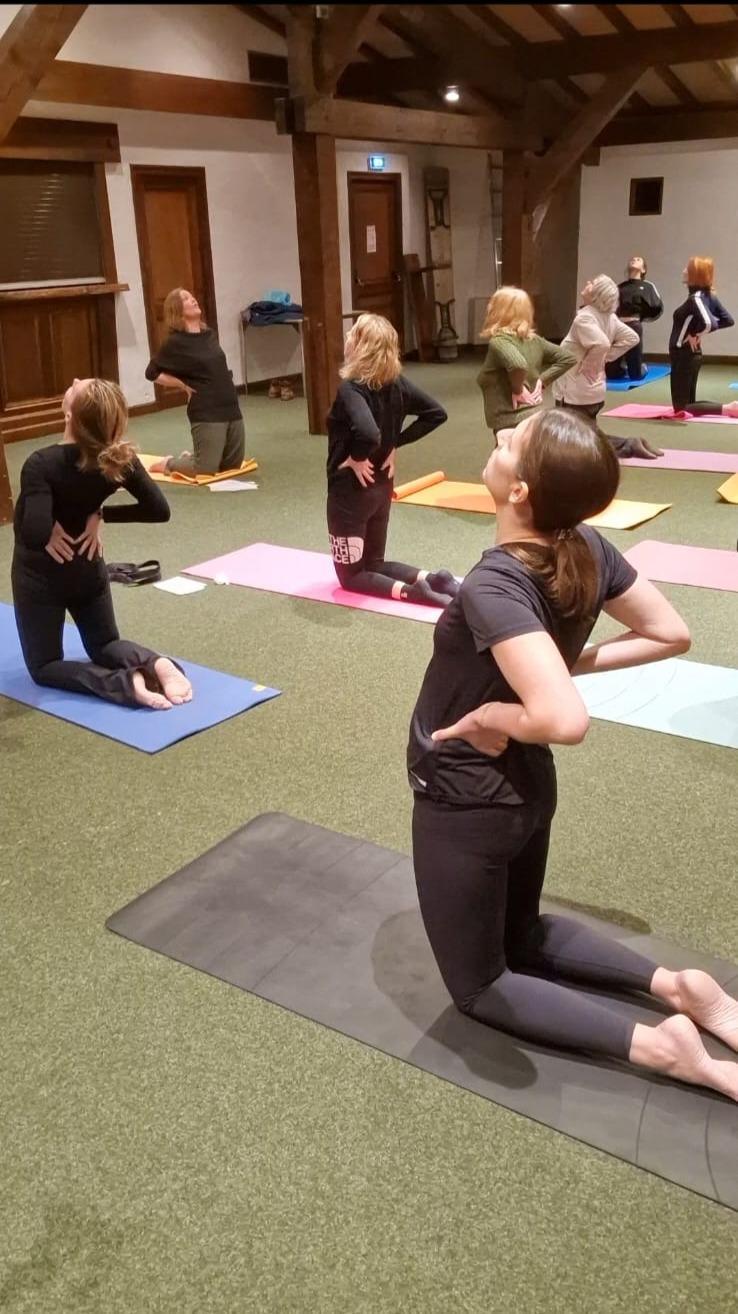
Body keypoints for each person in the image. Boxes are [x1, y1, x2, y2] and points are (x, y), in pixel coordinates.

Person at [407, 408, 738, 1101]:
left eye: (513, 441)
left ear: (520, 490)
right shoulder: (583, 542)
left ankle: (662, 1045)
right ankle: (678, 987)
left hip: (468, 799)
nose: (500, 436)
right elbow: (670, 632)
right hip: (527, 790)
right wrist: (562, 665)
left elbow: (564, 719)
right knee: (522, 934)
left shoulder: (497, 583)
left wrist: (497, 712)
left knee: (481, 985)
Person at [12, 378, 192, 711]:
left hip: (42, 578)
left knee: (45, 665)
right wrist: (100, 512)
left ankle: (125, 683)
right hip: (87, 567)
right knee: (106, 644)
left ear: (72, 415)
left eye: (77, 388)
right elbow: (158, 510)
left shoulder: (40, 464)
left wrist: (48, 522)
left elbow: (34, 535)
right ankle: (155, 663)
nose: (74, 380)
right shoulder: (119, 458)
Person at [327, 313, 455, 607]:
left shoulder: (351, 389)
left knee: (351, 576)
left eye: (352, 333)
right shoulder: (397, 384)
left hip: (350, 492)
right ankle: (435, 579)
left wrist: (357, 456)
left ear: (360, 346)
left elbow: (368, 432)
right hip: (382, 487)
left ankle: (413, 592)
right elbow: (436, 414)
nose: (347, 337)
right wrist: (394, 442)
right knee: (374, 562)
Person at [554, 275, 663, 460]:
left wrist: (593, 361)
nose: (588, 283)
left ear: (597, 294)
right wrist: (605, 358)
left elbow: (602, 343)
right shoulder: (609, 317)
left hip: (576, 393)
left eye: (592, 283)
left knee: (576, 442)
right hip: (593, 392)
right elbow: (632, 337)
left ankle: (628, 445)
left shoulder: (585, 318)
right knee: (586, 436)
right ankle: (629, 444)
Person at [145, 289, 245, 476]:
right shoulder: (175, 343)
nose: (193, 300)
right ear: (177, 310)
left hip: (230, 405)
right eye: (186, 299)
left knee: (232, 465)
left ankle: (191, 456)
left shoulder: (209, 334)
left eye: (192, 296)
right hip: (206, 409)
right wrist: (182, 385)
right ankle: (169, 464)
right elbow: (151, 373)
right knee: (204, 469)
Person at [476, 286, 576, 437]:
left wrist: (518, 390)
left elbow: (518, 364)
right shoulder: (534, 340)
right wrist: (542, 381)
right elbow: (568, 358)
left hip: (511, 422)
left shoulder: (500, 341)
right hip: (533, 416)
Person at [669, 257, 738, 417]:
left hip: (684, 355)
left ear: (696, 274)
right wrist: (697, 332)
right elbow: (728, 320)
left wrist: (695, 334)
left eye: (687, 268)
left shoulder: (696, 298)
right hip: (689, 355)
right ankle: (729, 408)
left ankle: (728, 408)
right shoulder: (708, 296)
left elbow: (710, 323)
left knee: (681, 408)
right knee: (688, 404)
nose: (684, 271)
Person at [605, 256, 663, 382]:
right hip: (617, 326)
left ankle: (640, 367)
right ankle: (621, 367)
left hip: (634, 325)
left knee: (636, 375)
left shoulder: (648, 286)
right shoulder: (620, 287)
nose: (634, 260)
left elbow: (657, 306)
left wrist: (641, 317)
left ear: (643, 270)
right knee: (611, 373)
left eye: (638, 259)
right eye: (632, 259)